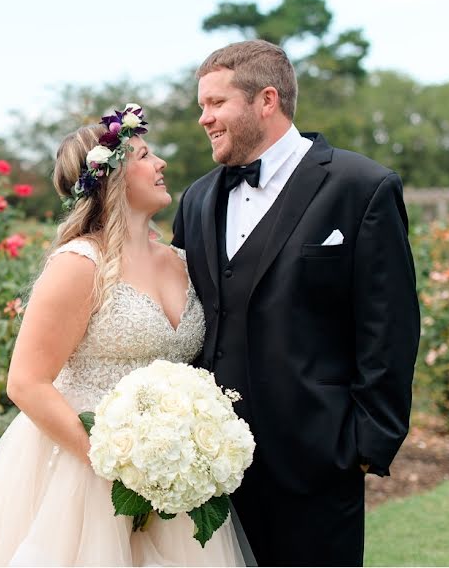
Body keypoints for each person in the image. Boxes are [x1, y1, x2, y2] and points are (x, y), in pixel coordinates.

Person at [0, 105, 252, 566]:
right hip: (87, 474)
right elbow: (26, 383)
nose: (159, 164)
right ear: (110, 177)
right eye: (142, 156)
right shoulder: (80, 264)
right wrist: (117, 470)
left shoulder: (181, 260)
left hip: (169, 471)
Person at [172, 40, 420, 566]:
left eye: (215, 104)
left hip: (317, 465)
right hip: (208, 472)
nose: (204, 119)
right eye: (202, 106)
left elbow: (389, 328)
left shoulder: (361, 187)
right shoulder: (196, 199)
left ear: (266, 100)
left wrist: (364, 446)